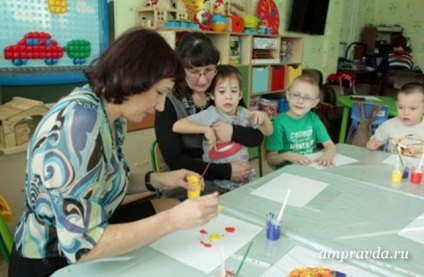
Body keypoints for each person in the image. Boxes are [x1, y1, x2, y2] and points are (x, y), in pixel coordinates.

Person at [8, 28, 219, 277]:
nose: (161, 105)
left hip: (94, 225)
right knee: (170, 219)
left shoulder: (111, 114)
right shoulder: (81, 124)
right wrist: (173, 220)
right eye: (160, 92)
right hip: (52, 259)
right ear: (134, 77)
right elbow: (83, 246)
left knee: (170, 204)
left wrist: (159, 179)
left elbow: (103, 181)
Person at [155, 32, 264, 199]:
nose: (202, 79)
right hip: (187, 181)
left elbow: (256, 137)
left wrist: (233, 132)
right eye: (193, 71)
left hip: (232, 178)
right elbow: (174, 160)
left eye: (208, 70)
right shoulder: (167, 100)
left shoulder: (223, 90)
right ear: (180, 67)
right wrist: (227, 171)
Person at [172, 65, 273, 192]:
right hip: (217, 181)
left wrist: (264, 118)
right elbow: (177, 126)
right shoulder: (211, 114)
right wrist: (206, 130)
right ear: (212, 95)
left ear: (240, 94)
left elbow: (268, 132)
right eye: (222, 91)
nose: (228, 97)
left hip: (246, 177)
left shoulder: (245, 114)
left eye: (234, 91)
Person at [266, 74, 336, 169]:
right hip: (287, 171)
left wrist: (327, 155)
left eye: (307, 98)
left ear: (314, 103)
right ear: (288, 96)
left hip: (308, 167)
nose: (300, 101)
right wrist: (288, 155)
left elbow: (329, 144)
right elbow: (271, 160)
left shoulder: (314, 119)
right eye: (296, 95)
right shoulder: (278, 123)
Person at [366, 82, 424, 158]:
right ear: (397, 105)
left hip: (419, 168)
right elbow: (375, 142)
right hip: (393, 167)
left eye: (413, 108)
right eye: (401, 107)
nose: (406, 113)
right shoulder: (389, 125)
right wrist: (372, 145)